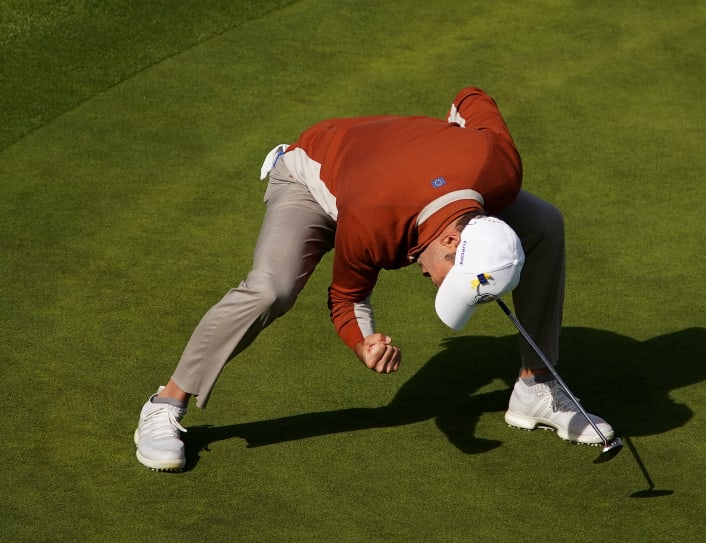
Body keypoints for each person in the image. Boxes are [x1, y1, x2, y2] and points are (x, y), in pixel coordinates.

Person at [134, 87, 615, 471]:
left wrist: (447, 148)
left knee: (546, 222)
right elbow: (345, 298)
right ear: (449, 243)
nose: (437, 286)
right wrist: (362, 342)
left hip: (404, 174)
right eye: (450, 281)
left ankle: (536, 386)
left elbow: (470, 98)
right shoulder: (373, 222)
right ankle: (165, 403)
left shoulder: (499, 169)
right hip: (313, 173)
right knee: (271, 289)